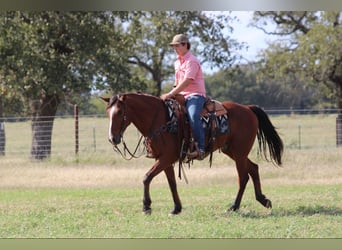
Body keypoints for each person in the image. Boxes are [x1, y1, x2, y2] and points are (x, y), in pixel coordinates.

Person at [160, 34, 206, 160]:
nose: (175, 49)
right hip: (181, 95)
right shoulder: (176, 63)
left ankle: (201, 148)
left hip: (195, 96)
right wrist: (172, 94)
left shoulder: (192, 61)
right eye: (173, 46)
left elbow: (187, 81)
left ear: (185, 45)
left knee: (193, 116)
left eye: (177, 46)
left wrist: (171, 94)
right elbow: (177, 82)